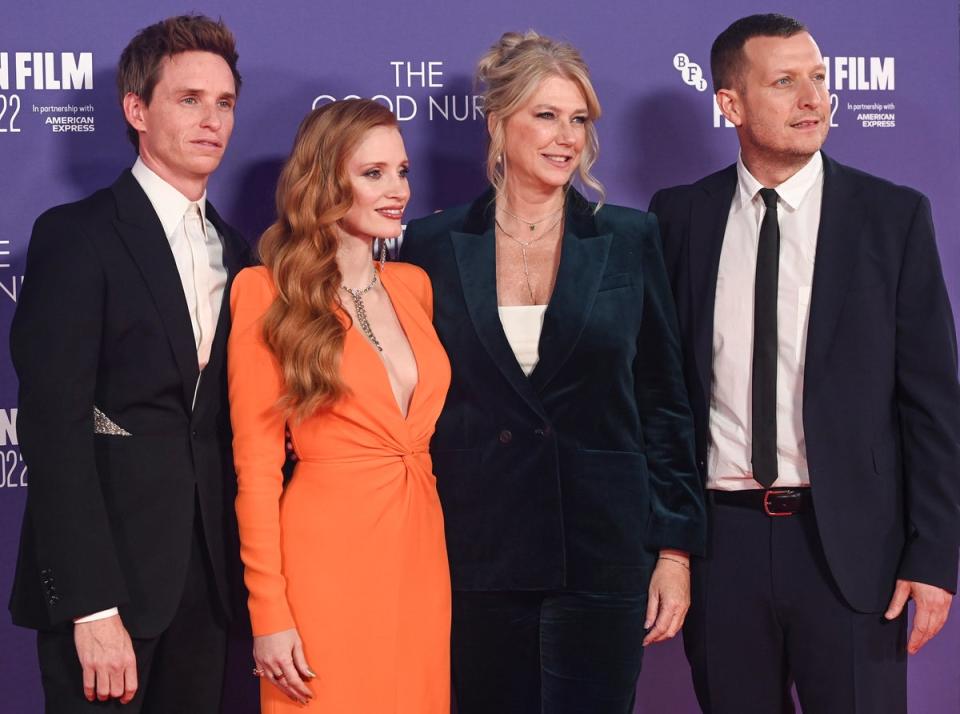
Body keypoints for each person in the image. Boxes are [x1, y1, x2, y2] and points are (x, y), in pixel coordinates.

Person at [649, 13, 960, 714]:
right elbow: (659, 397)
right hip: (719, 547)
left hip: (851, 549)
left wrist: (934, 557)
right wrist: (668, 545)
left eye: (818, 79)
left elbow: (933, 404)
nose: (813, 99)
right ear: (728, 103)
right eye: (784, 82)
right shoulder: (678, 218)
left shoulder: (892, 216)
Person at [401, 31, 705, 714]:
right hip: (477, 554)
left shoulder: (629, 239)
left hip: (602, 553)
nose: (566, 137)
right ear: (498, 123)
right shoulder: (431, 245)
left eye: (578, 120)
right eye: (546, 116)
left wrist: (675, 552)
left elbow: (665, 403)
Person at [8, 14, 249, 713]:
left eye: (225, 103)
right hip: (106, 597)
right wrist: (90, 609)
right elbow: (53, 431)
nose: (213, 120)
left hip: (207, 593)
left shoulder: (242, 257)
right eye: (189, 99)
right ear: (136, 109)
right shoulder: (77, 237)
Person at [228, 98, 451, 712]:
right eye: (372, 173)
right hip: (326, 562)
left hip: (421, 550)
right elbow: (256, 470)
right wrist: (269, 612)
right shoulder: (265, 292)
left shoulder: (413, 285)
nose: (397, 189)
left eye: (402, 171)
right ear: (327, 182)